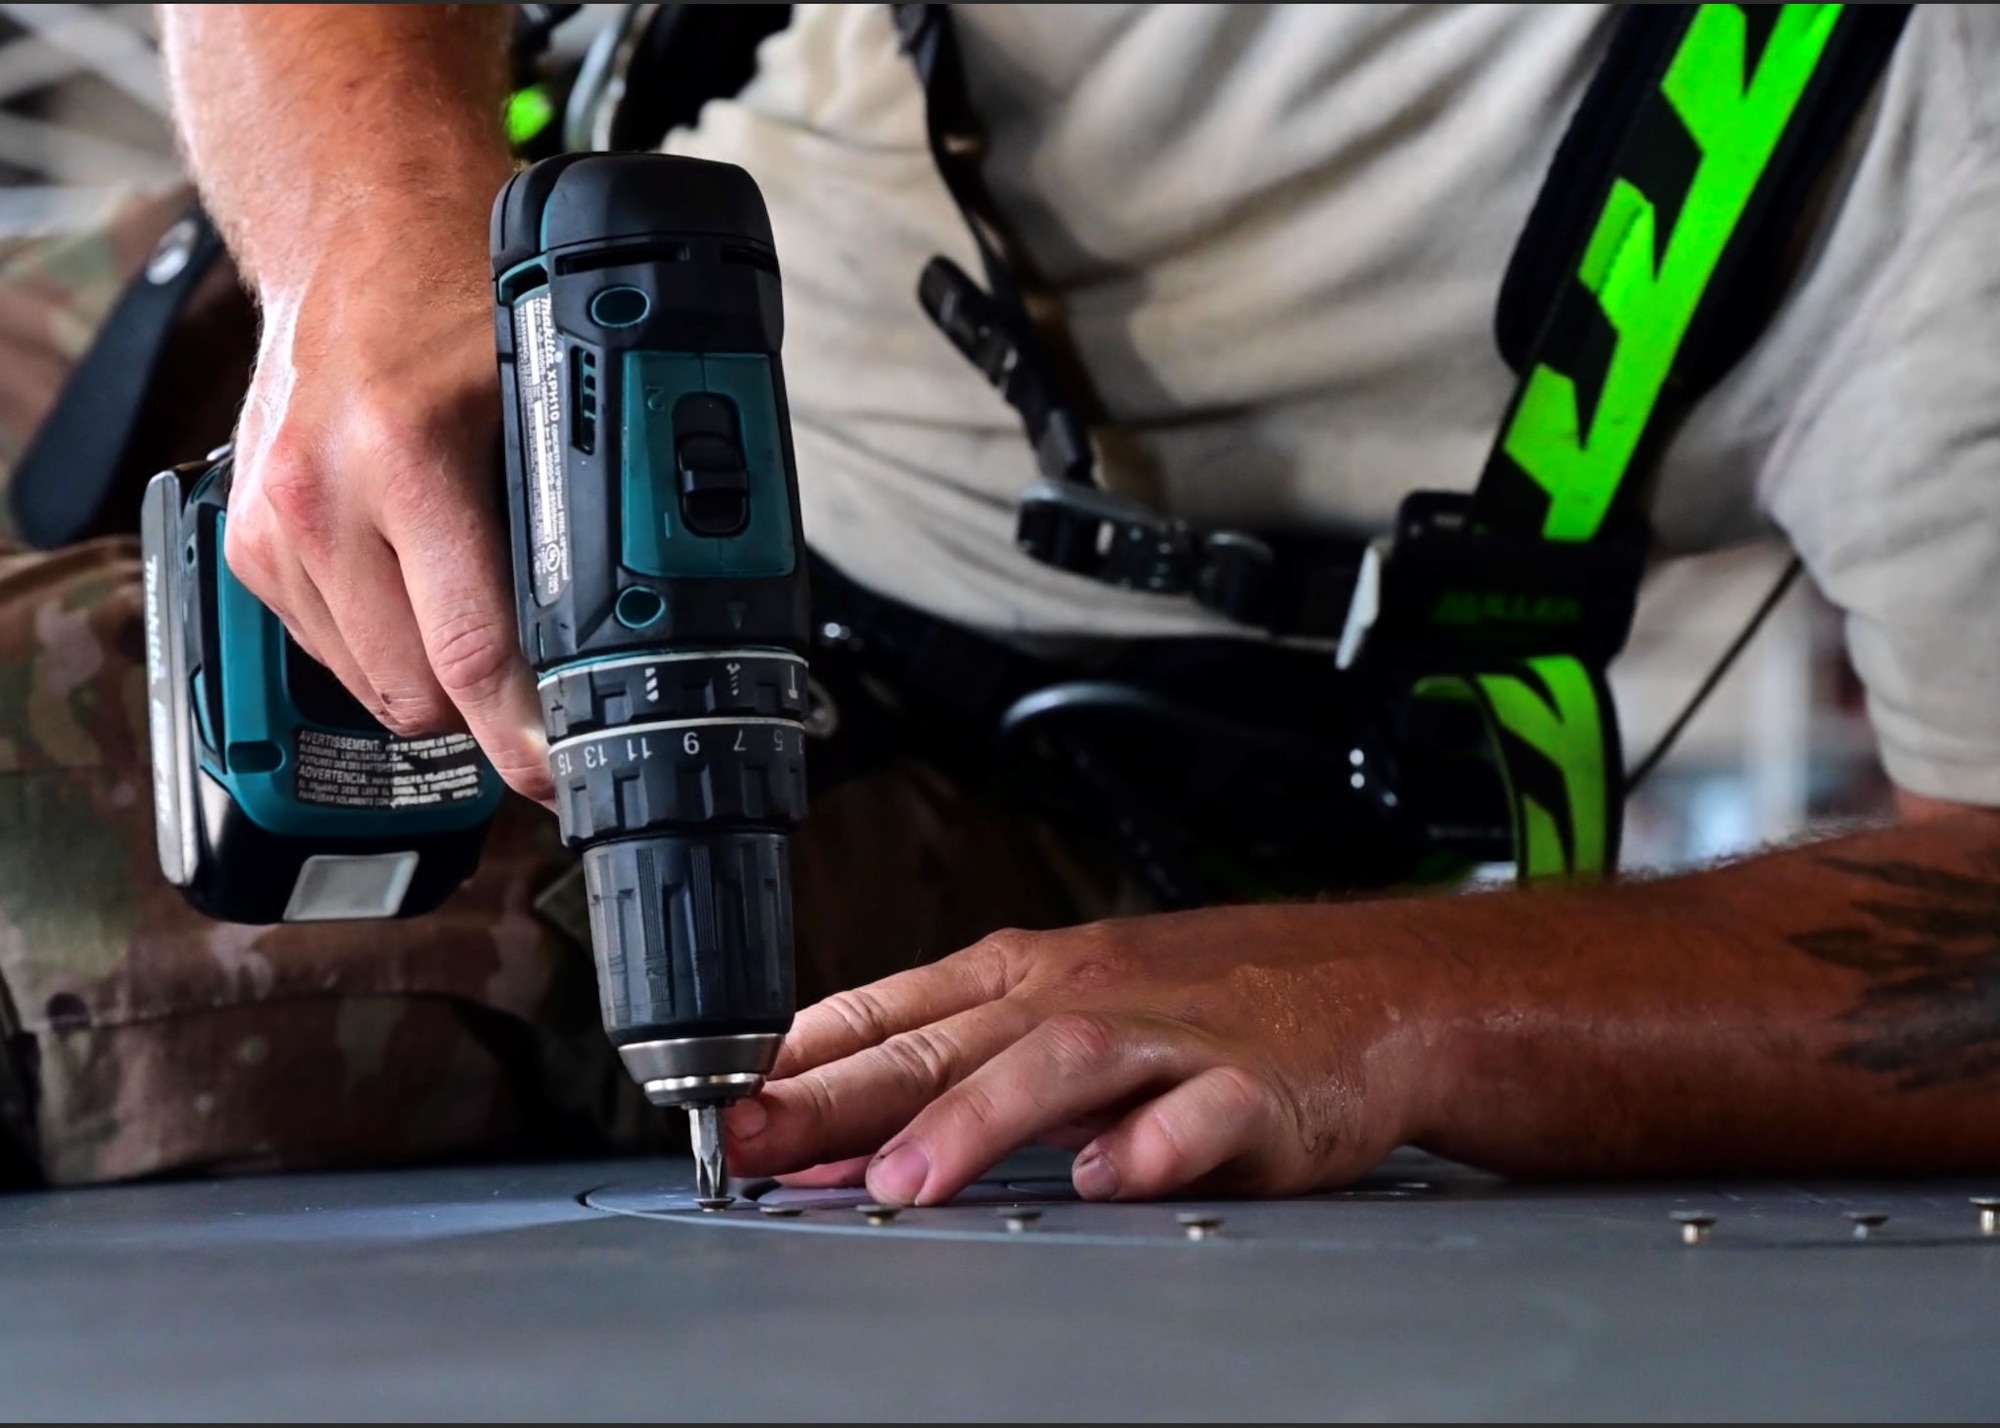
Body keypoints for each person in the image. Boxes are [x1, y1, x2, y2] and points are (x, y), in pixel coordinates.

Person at [7, 3, 2000, 1200]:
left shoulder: (1950, 132)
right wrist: (358, 220)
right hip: (483, 231)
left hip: (988, 752)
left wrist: (1401, 996)